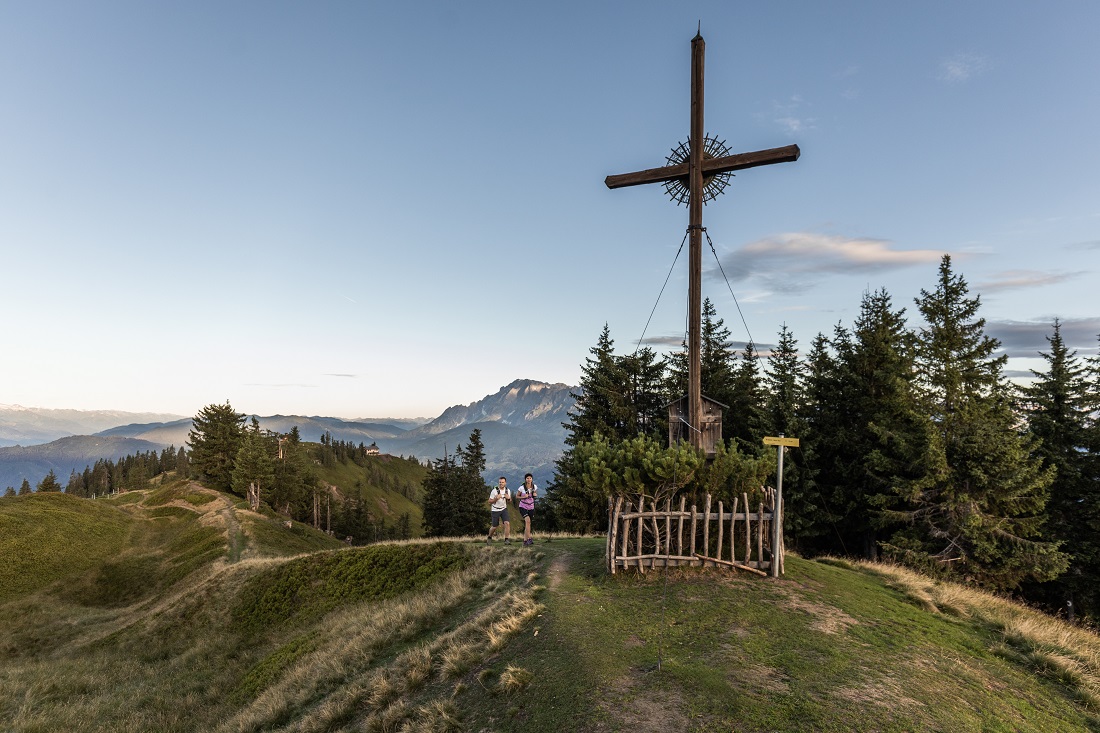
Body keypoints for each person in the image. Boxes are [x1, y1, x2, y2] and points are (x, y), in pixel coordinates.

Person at [515, 473, 538, 546]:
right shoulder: (521, 488)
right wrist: (523, 497)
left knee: (528, 523)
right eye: (527, 478)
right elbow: (517, 496)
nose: (529, 479)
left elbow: (535, 494)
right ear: (525, 479)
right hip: (523, 506)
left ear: (532, 479)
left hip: (531, 506)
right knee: (527, 521)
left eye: (530, 478)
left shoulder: (534, 487)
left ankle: (526, 540)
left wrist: (535, 495)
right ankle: (528, 539)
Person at [486, 476, 511, 544]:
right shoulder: (494, 491)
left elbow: (509, 501)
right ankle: (489, 537)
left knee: (507, 523)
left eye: (502, 482)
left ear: (505, 483)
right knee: (494, 526)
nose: (501, 483)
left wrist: (508, 498)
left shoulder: (507, 490)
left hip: (504, 509)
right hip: (495, 510)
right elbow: (489, 501)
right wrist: (496, 498)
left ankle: (506, 540)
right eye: (500, 482)